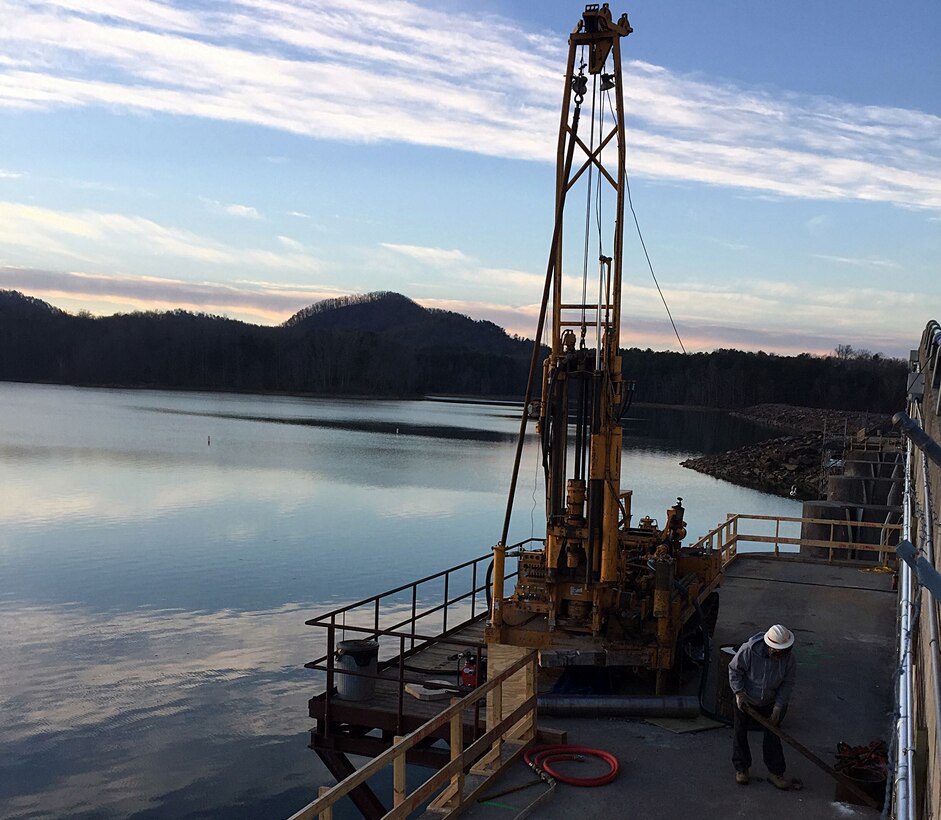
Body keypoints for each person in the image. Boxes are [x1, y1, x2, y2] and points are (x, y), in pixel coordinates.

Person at [728, 623, 796, 789]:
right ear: (771, 647)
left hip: (771, 701)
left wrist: (779, 706)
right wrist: (739, 693)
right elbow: (734, 670)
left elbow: (787, 684)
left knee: (773, 734)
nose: (782, 654)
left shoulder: (788, 659)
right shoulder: (748, 651)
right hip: (747, 698)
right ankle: (742, 768)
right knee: (740, 731)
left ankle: (775, 772)